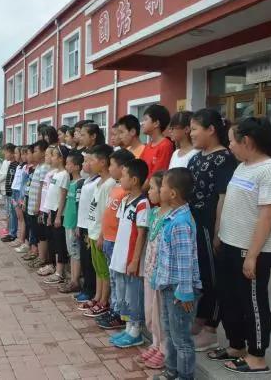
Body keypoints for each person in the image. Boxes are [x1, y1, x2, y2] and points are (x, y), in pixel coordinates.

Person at [210, 117, 271, 375]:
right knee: (229, 298)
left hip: (253, 250)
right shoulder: (243, 167)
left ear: (247, 141)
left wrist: (252, 256)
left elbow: (268, 217)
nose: (229, 146)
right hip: (231, 243)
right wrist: (221, 235)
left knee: (252, 303)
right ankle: (236, 346)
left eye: (232, 141)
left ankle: (257, 356)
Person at [187, 108, 236, 351]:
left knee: (211, 275)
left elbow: (223, 197)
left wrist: (217, 231)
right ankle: (200, 318)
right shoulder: (196, 158)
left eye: (195, 128)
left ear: (211, 130)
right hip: (192, 223)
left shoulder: (224, 159)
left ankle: (211, 329)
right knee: (199, 274)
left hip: (209, 224)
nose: (191, 133)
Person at [152, 168, 202, 380]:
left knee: (181, 338)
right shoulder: (173, 217)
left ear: (172, 193)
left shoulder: (180, 222)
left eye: (162, 186)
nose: (159, 189)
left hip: (179, 291)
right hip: (169, 286)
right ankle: (171, 371)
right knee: (170, 333)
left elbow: (184, 262)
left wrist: (185, 292)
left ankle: (185, 376)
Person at [109, 158, 150, 348]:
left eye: (124, 175)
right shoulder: (125, 200)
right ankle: (127, 328)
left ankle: (136, 331)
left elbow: (141, 234)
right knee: (123, 294)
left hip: (132, 259)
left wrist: (135, 260)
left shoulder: (142, 204)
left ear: (134, 180)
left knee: (134, 295)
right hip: (120, 256)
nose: (120, 178)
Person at [95, 149, 134, 331]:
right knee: (112, 277)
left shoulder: (127, 192)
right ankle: (114, 309)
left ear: (123, 168)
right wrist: (102, 235)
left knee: (119, 279)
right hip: (108, 239)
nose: (110, 168)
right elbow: (107, 214)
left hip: (117, 242)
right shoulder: (116, 187)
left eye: (112, 165)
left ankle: (119, 313)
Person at [80, 144, 116, 317]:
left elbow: (107, 213)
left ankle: (104, 301)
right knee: (97, 268)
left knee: (104, 270)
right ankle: (97, 297)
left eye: (92, 160)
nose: (90, 164)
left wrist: (102, 234)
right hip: (93, 231)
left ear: (103, 162)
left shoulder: (110, 184)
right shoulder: (98, 182)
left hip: (101, 233)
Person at [140, 171, 168, 370]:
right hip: (149, 271)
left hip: (162, 275)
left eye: (152, 188)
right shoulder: (155, 213)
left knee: (161, 314)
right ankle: (155, 343)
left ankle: (164, 349)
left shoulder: (171, 216)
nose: (148, 192)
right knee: (150, 310)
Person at [73, 153, 100, 302]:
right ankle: (86, 288)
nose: (84, 164)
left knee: (90, 261)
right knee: (84, 258)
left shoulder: (98, 182)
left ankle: (91, 290)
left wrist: (89, 227)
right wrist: (79, 224)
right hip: (82, 224)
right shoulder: (88, 180)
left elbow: (93, 207)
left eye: (87, 161)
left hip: (90, 226)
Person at [42, 145, 70, 285]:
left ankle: (60, 273)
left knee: (60, 244)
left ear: (60, 158)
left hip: (60, 213)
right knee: (54, 241)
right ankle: (56, 270)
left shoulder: (64, 175)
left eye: (53, 155)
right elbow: (51, 196)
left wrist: (58, 216)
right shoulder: (55, 173)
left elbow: (62, 197)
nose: (51, 158)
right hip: (52, 211)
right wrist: (49, 214)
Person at [60, 152, 84, 293]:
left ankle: (75, 281)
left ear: (76, 167)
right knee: (71, 251)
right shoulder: (71, 182)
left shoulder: (80, 183)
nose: (66, 166)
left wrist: (78, 225)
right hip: (68, 222)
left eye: (69, 163)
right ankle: (73, 279)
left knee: (75, 252)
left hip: (74, 223)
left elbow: (79, 206)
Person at [24, 140, 49, 262]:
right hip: (31, 204)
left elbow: (41, 188)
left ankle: (41, 257)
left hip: (36, 206)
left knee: (40, 232)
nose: (33, 154)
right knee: (34, 231)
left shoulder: (44, 168)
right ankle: (37, 254)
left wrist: (38, 206)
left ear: (44, 153)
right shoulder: (38, 166)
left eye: (36, 151)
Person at [140, 104, 174, 178]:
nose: (142, 123)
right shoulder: (148, 145)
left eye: (145, 119)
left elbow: (157, 177)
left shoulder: (165, 146)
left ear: (156, 123)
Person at [9, 146, 26, 248]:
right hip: (14, 191)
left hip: (19, 193)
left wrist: (20, 197)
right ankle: (18, 237)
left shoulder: (24, 167)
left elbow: (23, 183)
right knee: (16, 216)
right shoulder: (18, 166)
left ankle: (21, 239)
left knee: (21, 217)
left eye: (16, 153)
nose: (14, 155)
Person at [1, 144, 18, 242]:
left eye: (6, 153)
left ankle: (13, 233)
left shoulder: (16, 165)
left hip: (13, 193)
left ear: (12, 153)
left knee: (13, 214)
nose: (4, 155)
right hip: (8, 192)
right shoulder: (10, 164)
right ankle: (11, 232)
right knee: (9, 213)